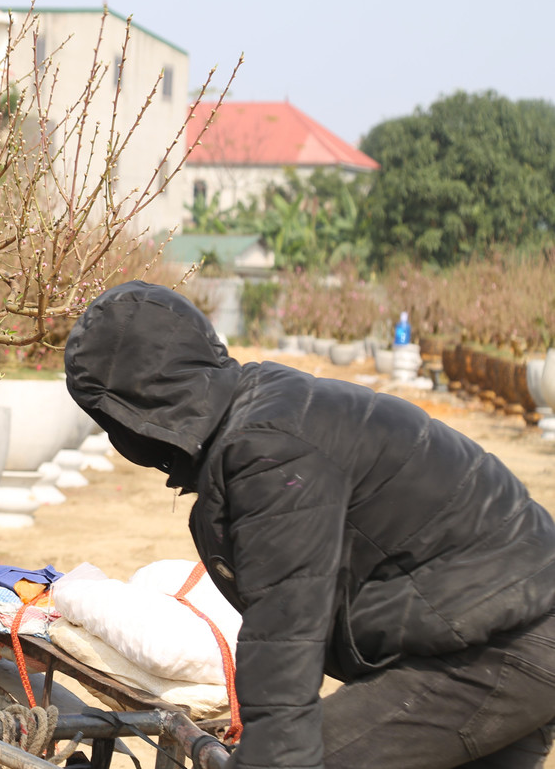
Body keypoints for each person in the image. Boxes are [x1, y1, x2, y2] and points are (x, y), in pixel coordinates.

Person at [64, 281, 555, 769]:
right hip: (497, 635)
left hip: (500, 644)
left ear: (136, 403)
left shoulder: (267, 450)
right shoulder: (264, 411)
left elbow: (285, 628)